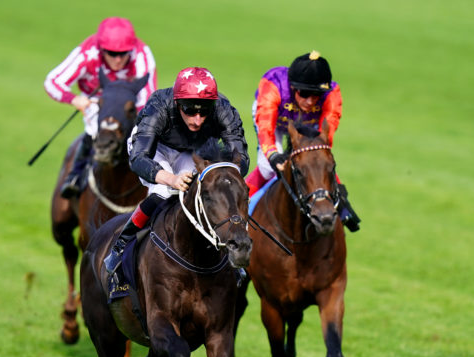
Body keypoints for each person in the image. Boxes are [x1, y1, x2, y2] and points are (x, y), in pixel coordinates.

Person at [103, 66, 249, 275]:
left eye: (204, 112)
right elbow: (138, 158)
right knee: (163, 192)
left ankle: (225, 252)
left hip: (193, 150)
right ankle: (122, 243)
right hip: (155, 147)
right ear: (177, 102)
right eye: (190, 110)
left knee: (205, 193)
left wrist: (220, 177)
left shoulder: (224, 109)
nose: (197, 119)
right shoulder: (159, 105)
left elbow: (240, 157)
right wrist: (171, 179)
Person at [245, 51, 361, 232]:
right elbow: (266, 127)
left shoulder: (332, 95)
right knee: (268, 167)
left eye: (317, 95)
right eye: (305, 93)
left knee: (316, 160)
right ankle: (241, 203)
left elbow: (325, 141)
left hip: (309, 123)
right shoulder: (273, 85)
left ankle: (342, 203)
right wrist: (274, 156)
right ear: (292, 87)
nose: (310, 100)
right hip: (274, 120)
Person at [44, 17, 157, 198]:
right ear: (102, 49)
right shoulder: (87, 54)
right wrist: (73, 99)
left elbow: (148, 96)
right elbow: (53, 82)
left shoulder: (142, 54)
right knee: (95, 127)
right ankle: (76, 175)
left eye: (124, 53)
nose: (118, 59)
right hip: (98, 102)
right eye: (112, 54)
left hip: (129, 105)